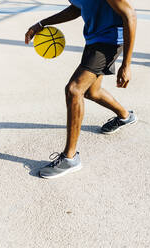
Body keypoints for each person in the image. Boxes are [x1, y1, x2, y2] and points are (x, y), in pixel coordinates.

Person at [25, 0, 137, 179]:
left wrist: (127, 64)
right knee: (92, 92)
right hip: (95, 40)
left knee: (74, 90)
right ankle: (125, 116)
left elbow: (129, 13)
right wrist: (42, 23)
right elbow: (77, 7)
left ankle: (70, 158)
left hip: (109, 42)